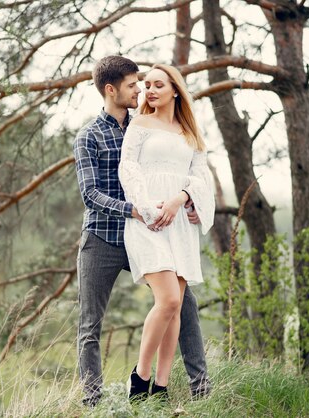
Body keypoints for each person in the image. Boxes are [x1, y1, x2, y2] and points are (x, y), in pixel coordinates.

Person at [73, 56, 211, 407]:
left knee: (182, 306)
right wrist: (134, 209)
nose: (141, 90)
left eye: (145, 84)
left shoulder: (147, 125)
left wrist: (189, 202)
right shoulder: (89, 135)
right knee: (90, 324)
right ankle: (92, 402)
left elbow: (181, 169)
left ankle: (200, 388)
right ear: (111, 89)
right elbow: (90, 194)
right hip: (104, 237)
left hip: (156, 231)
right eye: (134, 85)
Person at [118, 63, 215, 401]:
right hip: (148, 220)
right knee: (169, 299)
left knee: (174, 307)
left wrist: (183, 198)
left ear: (175, 89)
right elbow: (128, 168)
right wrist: (147, 208)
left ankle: (160, 386)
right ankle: (140, 378)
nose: (150, 90)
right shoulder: (140, 124)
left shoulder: (190, 132)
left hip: (179, 226)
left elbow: (201, 176)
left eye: (158, 84)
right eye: (146, 85)